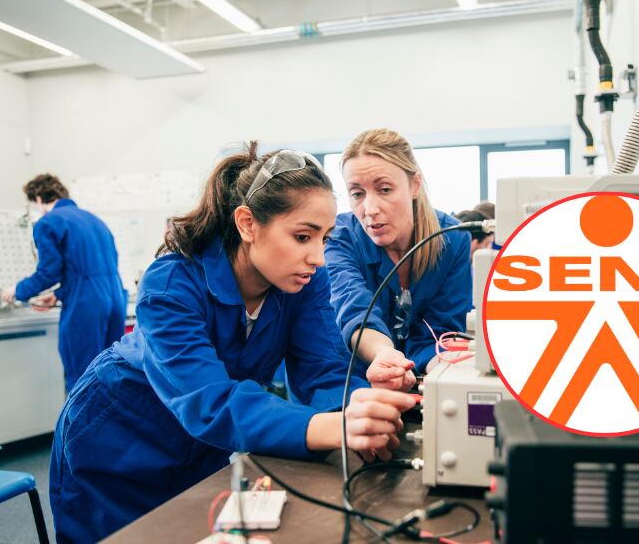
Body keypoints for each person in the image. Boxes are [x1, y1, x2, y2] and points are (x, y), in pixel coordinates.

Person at [48, 143, 416, 543]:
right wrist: (327, 426)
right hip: (117, 437)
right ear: (247, 223)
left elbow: (323, 371)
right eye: (302, 236)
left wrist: (358, 407)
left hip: (199, 446)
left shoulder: (305, 282)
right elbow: (209, 400)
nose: (318, 257)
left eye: (324, 238)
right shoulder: (170, 283)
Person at [325, 129, 472, 390]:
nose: (370, 209)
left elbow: (441, 330)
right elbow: (354, 310)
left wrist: (443, 369)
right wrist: (384, 356)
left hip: (424, 378)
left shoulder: (453, 239)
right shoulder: (340, 238)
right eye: (357, 194)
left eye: (384, 189)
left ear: (414, 185)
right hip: (355, 381)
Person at [1, 174, 127, 392]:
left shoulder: (48, 222)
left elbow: (49, 273)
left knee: (82, 379)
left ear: (39, 198)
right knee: (108, 374)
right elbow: (92, 271)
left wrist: (17, 290)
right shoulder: (95, 220)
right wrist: (58, 295)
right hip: (116, 300)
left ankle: (79, 427)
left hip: (86, 305)